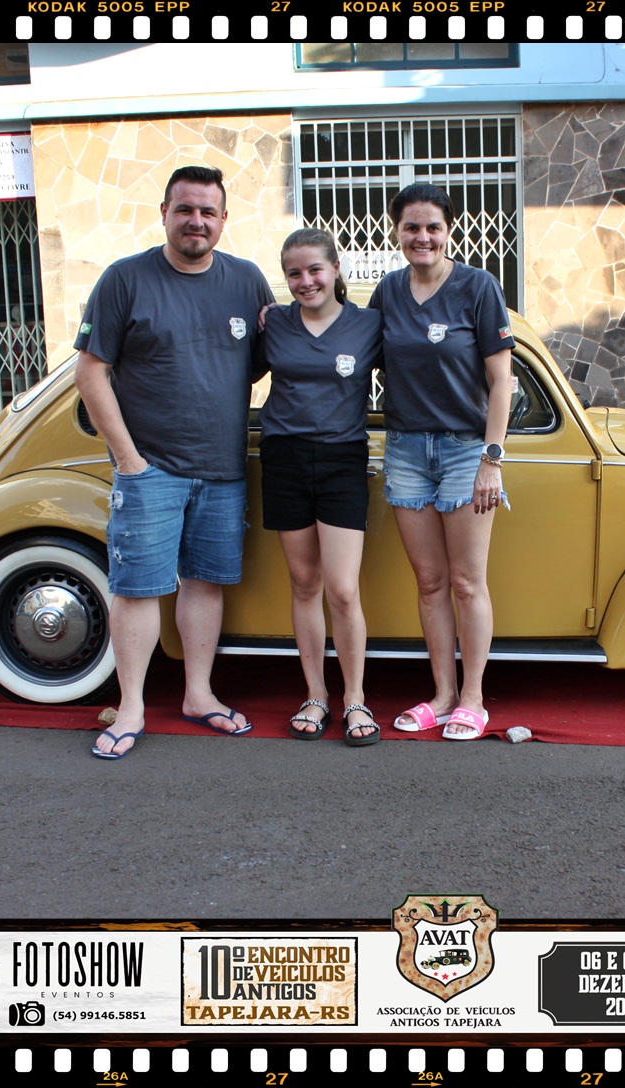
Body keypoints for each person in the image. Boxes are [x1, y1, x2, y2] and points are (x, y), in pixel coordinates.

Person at [74, 165, 274, 758]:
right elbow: (91, 372)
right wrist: (128, 459)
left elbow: (268, 357)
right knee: (138, 589)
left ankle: (198, 694)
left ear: (223, 219)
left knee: (205, 584)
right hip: (150, 469)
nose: (196, 221)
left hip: (223, 470)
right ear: (164, 213)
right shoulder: (126, 279)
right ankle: (132, 707)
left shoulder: (246, 281)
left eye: (208, 211)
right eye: (185, 209)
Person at [368, 183, 515, 741]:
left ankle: (474, 698)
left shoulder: (478, 287)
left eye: (432, 226)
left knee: (466, 582)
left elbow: (501, 381)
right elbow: (352, 349)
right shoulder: (388, 291)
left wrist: (491, 459)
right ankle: (442, 695)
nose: (422, 236)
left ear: (449, 230)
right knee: (429, 582)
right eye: (411, 227)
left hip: (465, 450)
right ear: (396, 232)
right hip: (406, 449)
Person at [260, 229, 386, 745]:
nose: (305, 281)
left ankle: (355, 698)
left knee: (343, 588)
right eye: (294, 273)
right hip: (284, 458)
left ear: (336, 269)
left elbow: (422, 365)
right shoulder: (274, 323)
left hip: (341, 460)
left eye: (315, 269)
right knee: (304, 583)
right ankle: (315, 694)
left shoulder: (369, 324)